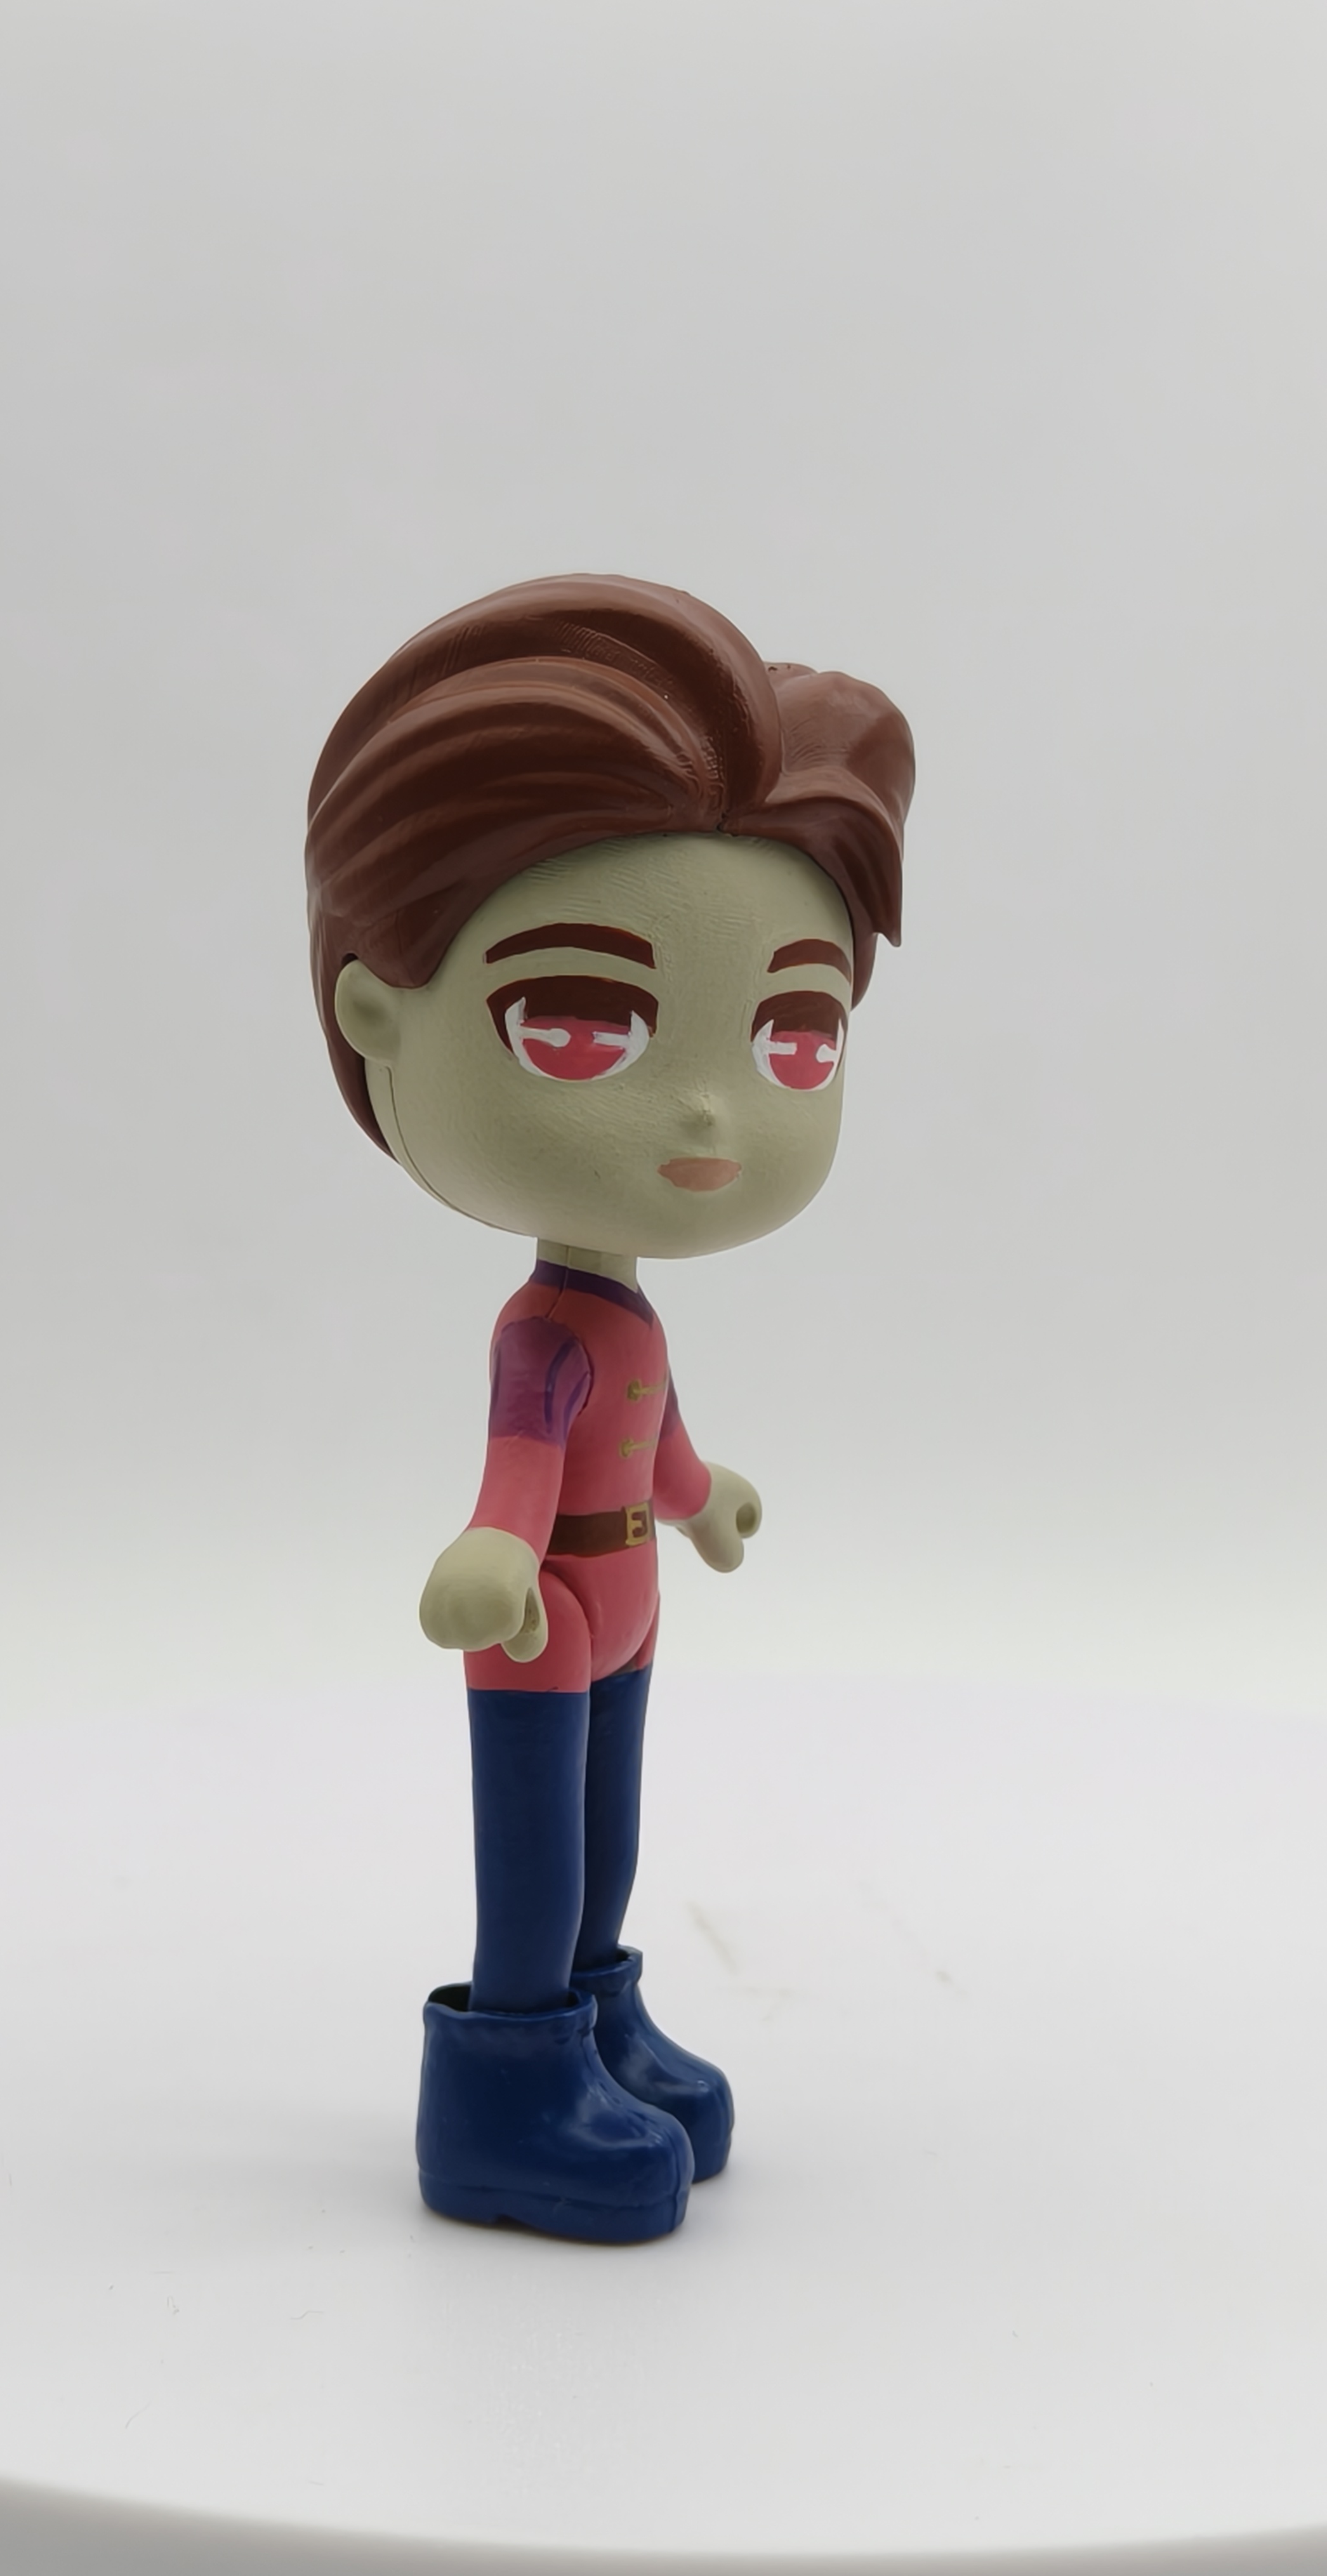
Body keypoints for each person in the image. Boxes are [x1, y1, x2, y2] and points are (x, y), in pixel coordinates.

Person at [305, 574, 913, 2242]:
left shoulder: (625, 1314)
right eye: (581, 1023)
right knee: (537, 1851)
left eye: (794, 1035)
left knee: (609, 1835)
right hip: (546, 1612)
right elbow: (526, 1460)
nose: (707, 1109)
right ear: (380, 1017)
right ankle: (504, 2091)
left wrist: (703, 1497)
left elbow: (658, 1434)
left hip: (631, 1594)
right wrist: (495, 1553)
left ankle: (596, 2021)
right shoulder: (545, 1328)